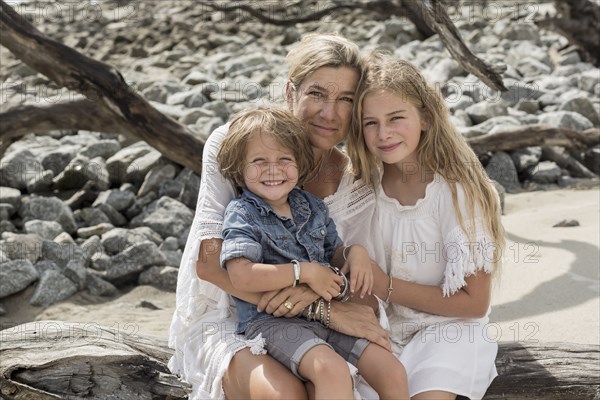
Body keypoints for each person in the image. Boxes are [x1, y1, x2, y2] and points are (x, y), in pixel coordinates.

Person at [168, 33, 391, 399]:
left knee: (366, 374)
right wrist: (321, 307)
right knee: (286, 393)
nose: (329, 113)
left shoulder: (356, 179)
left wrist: (354, 260)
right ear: (291, 92)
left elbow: (353, 281)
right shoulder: (234, 144)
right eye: (317, 93)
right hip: (232, 312)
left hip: (315, 321)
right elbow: (209, 265)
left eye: (345, 99)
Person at [218, 107, 409, 399]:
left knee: (392, 369)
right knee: (331, 369)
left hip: (326, 313)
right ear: (239, 168)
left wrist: (355, 253)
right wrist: (303, 272)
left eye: (284, 159)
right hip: (272, 323)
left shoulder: (312, 207)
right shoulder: (243, 214)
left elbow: (334, 254)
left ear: (299, 163)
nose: (273, 169)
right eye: (259, 161)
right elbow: (241, 276)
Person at [347, 53, 506, 399]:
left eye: (395, 118)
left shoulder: (455, 191)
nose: (383, 133)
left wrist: (384, 284)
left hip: (448, 332)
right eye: (370, 122)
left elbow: (474, 303)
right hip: (384, 335)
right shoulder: (361, 192)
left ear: (426, 119)